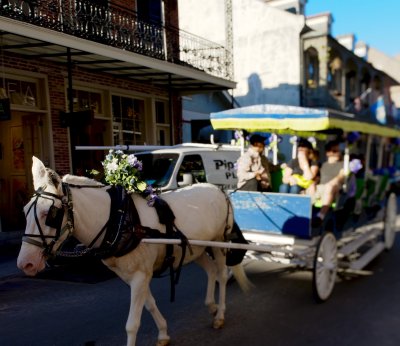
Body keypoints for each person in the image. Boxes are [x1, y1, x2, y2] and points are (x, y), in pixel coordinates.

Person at [312, 140, 346, 226]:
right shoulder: (323, 165)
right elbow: (318, 178)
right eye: (334, 151)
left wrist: (330, 184)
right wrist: (313, 184)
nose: (337, 153)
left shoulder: (342, 164)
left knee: (329, 187)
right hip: (321, 187)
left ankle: (320, 216)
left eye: (338, 151)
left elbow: (341, 177)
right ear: (328, 153)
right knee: (308, 191)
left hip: (335, 188)